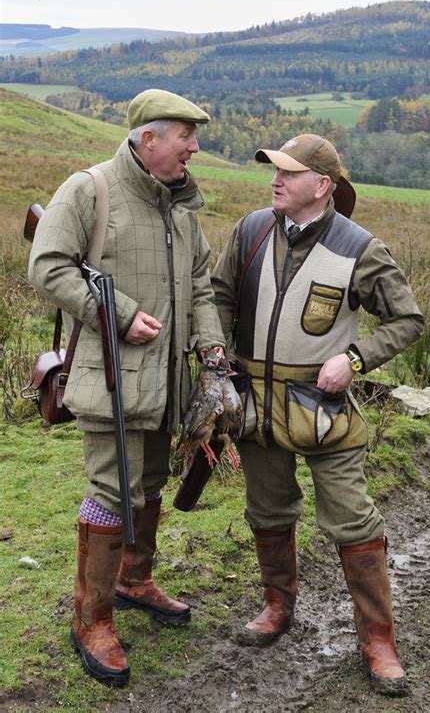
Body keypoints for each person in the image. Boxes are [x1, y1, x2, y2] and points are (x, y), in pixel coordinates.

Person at [211, 134, 424, 697]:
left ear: (322, 186)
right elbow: (219, 295)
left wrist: (354, 359)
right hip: (255, 407)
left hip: (324, 408)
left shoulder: (359, 247)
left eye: (287, 172)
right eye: (273, 171)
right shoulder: (251, 230)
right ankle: (277, 606)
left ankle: (378, 641)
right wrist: (217, 358)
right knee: (267, 510)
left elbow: (407, 320)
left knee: (354, 522)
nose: (274, 180)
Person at [28, 89, 227, 686]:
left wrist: (211, 350)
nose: (195, 147)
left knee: (150, 485)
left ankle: (134, 579)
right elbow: (48, 266)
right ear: (148, 140)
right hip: (112, 377)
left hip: (169, 380)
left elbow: (199, 285)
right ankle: (90, 618)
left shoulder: (182, 208)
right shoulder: (89, 189)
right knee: (112, 492)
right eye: (186, 137)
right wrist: (117, 313)